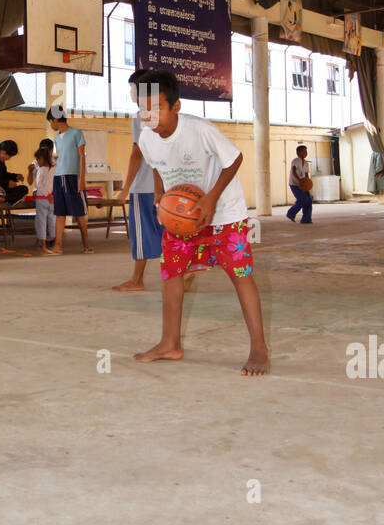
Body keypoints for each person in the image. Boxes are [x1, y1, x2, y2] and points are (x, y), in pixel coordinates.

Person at [131, 68, 269, 376]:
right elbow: (155, 165)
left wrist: (211, 199)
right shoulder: (146, 137)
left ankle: (259, 348)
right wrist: (159, 194)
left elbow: (234, 159)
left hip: (223, 215)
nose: (149, 117)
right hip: (182, 218)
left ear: (175, 107)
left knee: (240, 275)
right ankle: (170, 344)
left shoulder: (199, 129)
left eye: (156, 108)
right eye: (143, 110)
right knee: (172, 275)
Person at [113, 72, 164, 290]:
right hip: (165, 186)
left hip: (144, 187)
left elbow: (137, 153)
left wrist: (125, 188)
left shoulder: (141, 116)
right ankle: (183, 270)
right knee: (168, 230)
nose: (130, 92)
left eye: (132, 88)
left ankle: (137, 280)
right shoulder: (165, 113)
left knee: (141, 234)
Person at [47, 106, 92, 254]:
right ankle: (58, 246)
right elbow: (59, 158)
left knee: (78, 213)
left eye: (50, 122)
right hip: (59, 177)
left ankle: (86, 244)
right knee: (60, 213)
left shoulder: (76, 133)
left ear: (54, 120)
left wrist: (82, 178)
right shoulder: (56, 138)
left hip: (73, 177)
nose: (51, 125)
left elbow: (81, 156)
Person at [32, 147, 56, 255]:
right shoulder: (54, 168)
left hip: (42, 199)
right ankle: (54, 241)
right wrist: (52, 195)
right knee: (52, 220)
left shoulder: (40, 170)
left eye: (38, 159)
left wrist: (47, 195)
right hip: (52, 199)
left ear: (42, 158)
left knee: (41, 221)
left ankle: (43, 245)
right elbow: (56, 183)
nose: (37, 161)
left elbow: (39, 185)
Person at [286, 144, 313, 224]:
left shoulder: (306, 163)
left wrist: (308, 182)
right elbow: (294, 171)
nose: (305, 153)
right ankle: (291, 213)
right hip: (294, 184)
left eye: (306, 151)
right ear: (298, 153)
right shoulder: (295, 161)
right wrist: (299, 180)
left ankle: (306, 219)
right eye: (303, 151)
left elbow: (306, 174)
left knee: (309, 200)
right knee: (303, 199)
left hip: (303, 185)